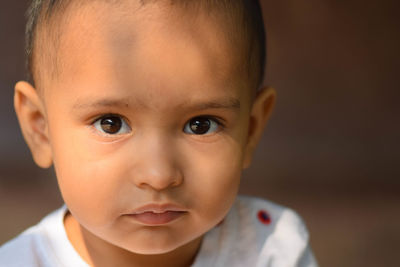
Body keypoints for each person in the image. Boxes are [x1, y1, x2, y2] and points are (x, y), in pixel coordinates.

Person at [0, 0, 318, 266]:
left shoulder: (274, 249)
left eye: (201, 125)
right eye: (110, 124)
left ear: (251, 129)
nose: (159, 175)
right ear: (40, 129)